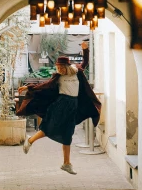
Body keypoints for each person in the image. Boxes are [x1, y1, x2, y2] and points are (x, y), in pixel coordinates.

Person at [15, 40, 101, 174]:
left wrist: (85, 49)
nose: (59, 69)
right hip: (60, 105)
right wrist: (28, 87)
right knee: (50, 127)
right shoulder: (58, 77)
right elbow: (44, 86)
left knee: (68, 134)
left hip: (73, 105)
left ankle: (66, 163)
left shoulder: (76, 72)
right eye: (58, 67)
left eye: (61, 67)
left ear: (67, 66)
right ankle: (30, 140)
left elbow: (85, 62)